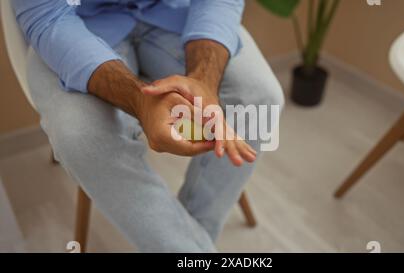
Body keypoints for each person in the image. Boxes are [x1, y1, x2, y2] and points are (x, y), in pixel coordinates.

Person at [13, 0, 284, 252]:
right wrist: (140, 101)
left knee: (259, 100)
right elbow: (46, 16)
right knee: (82, 137)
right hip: (73, 27)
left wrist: (204, 81)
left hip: (178, 12)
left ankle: (192, 243)